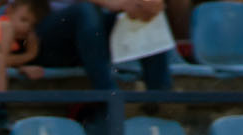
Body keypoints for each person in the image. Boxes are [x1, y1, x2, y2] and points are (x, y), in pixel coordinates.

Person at [32, 0, 172, 92]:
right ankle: (109, 96)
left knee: (149, 10)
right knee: (85, 11)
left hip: (93, 38)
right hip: (43, 39)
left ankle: (160, 97)